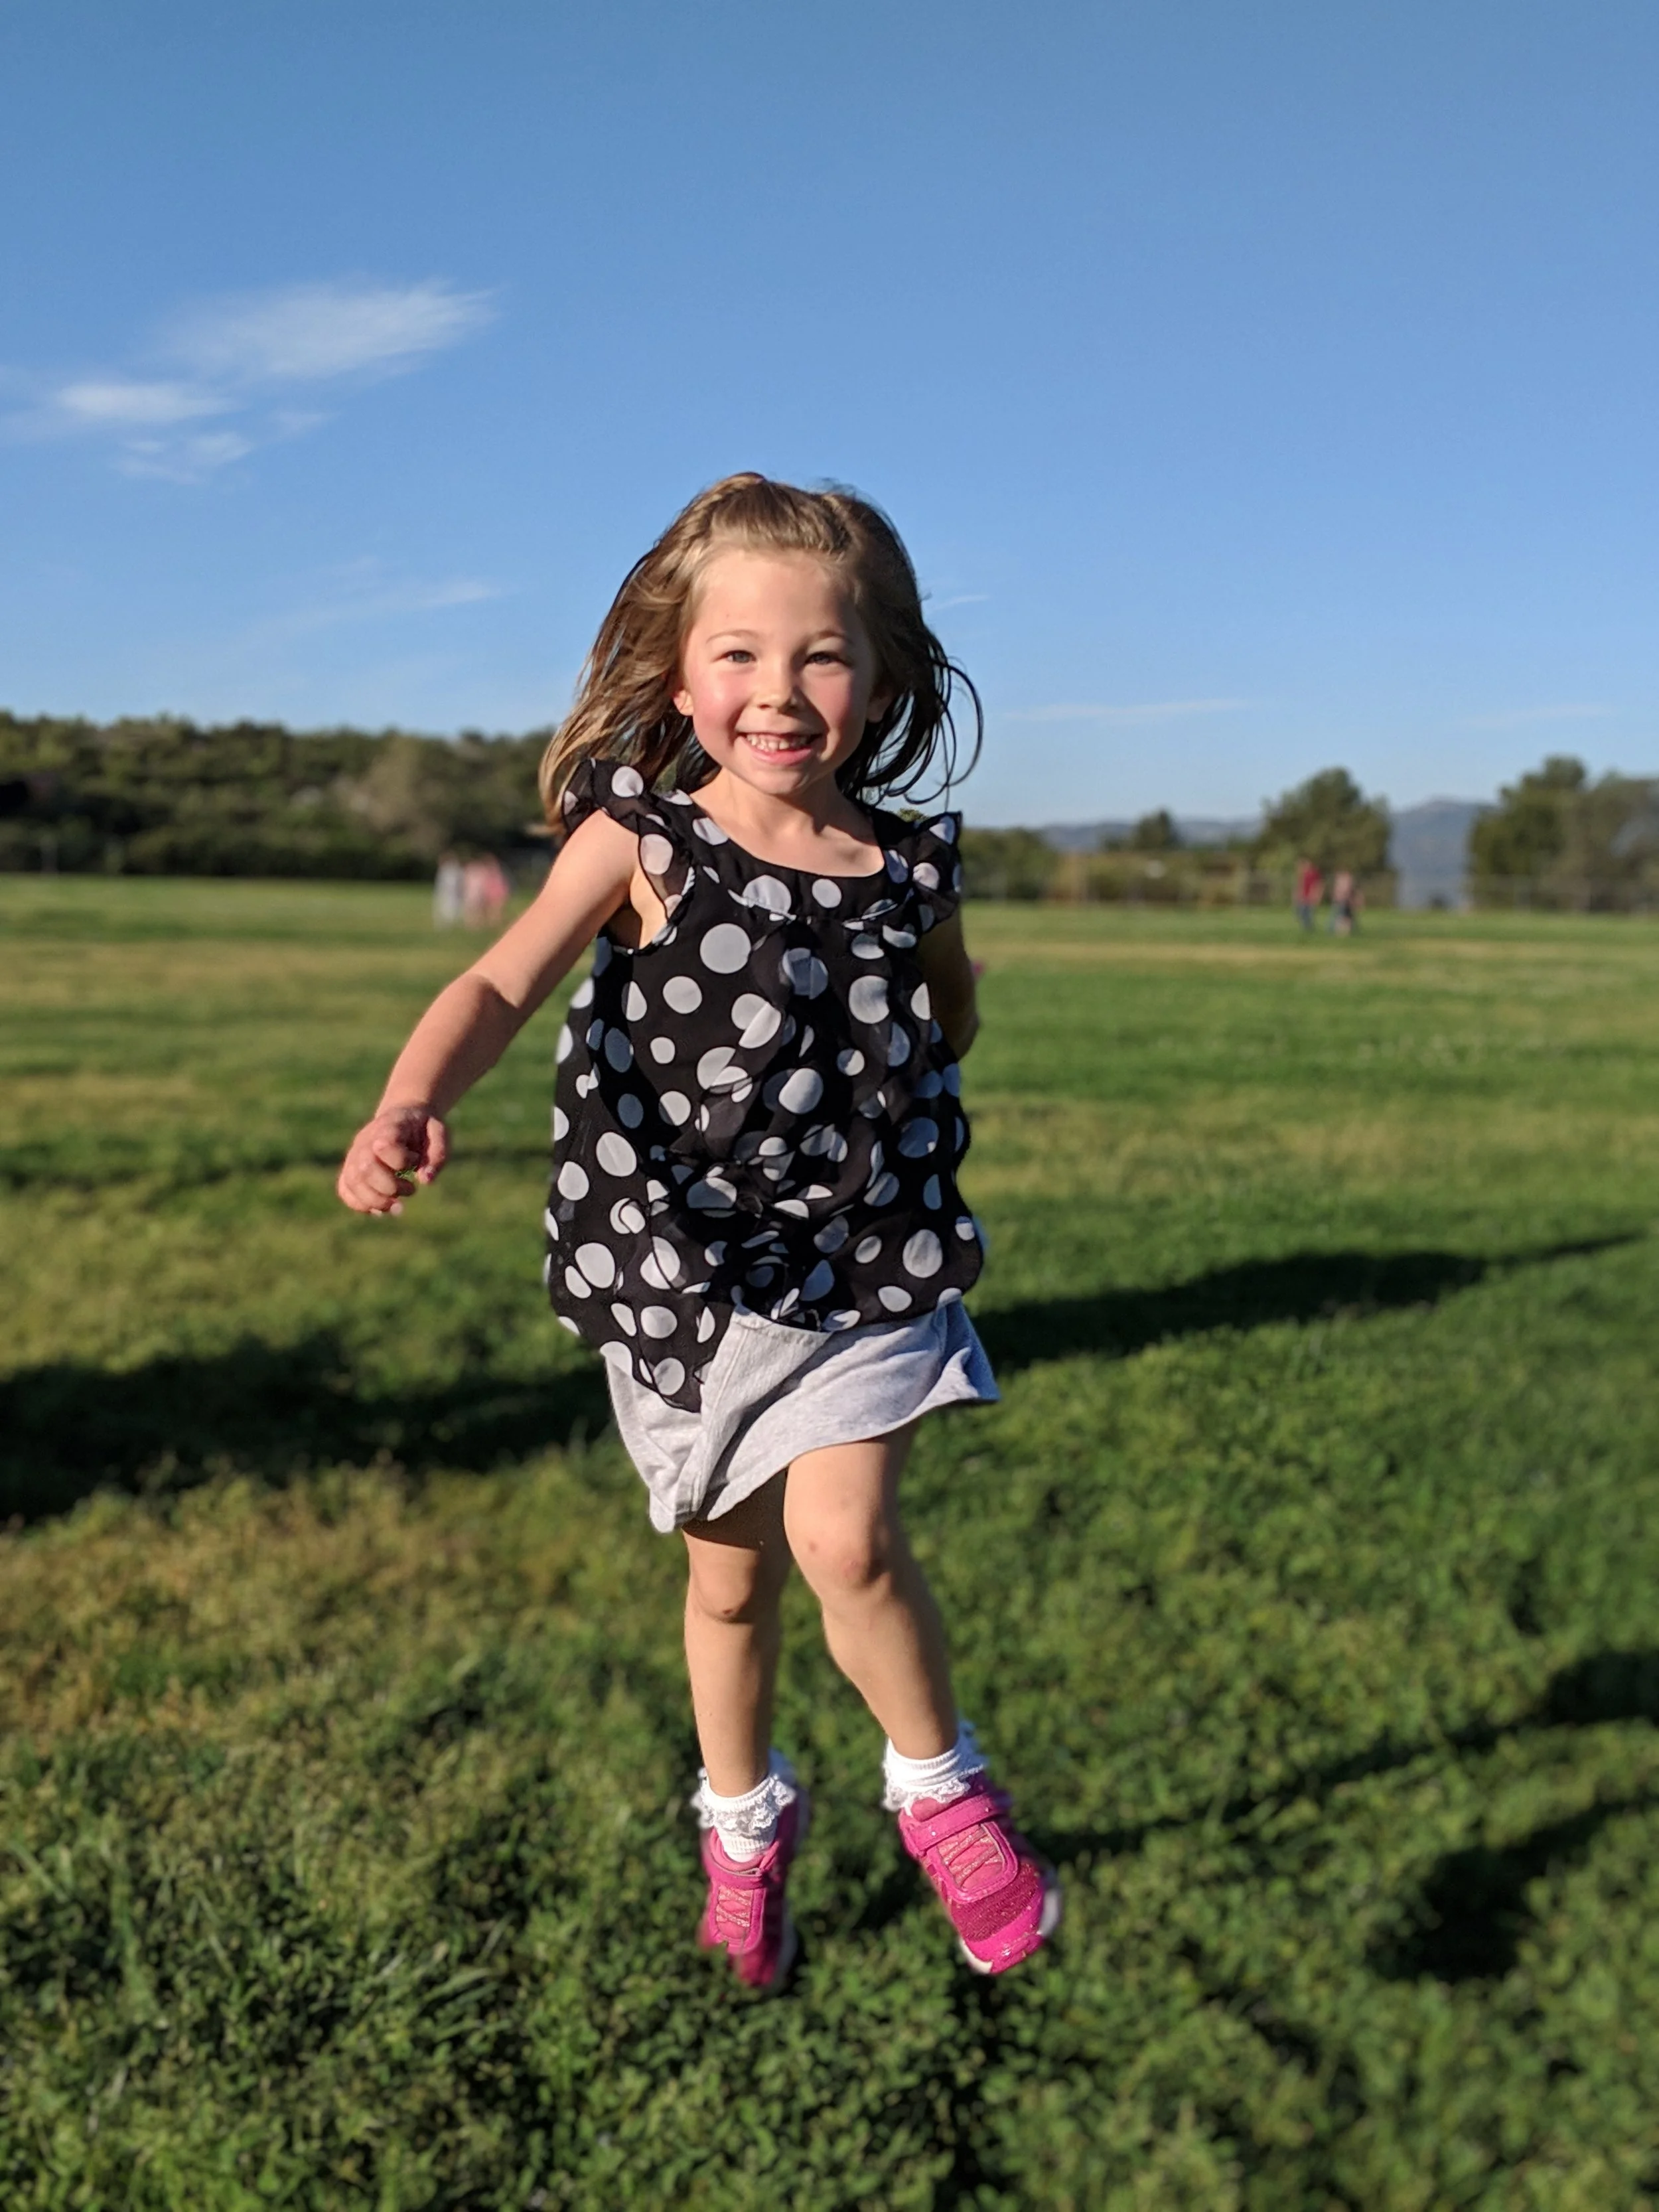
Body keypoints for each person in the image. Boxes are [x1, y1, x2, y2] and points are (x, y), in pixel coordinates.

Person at [336, 475, 1060, 1992]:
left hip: (866, 1268)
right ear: (680, 676)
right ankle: (744, 1830)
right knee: (726, 1583)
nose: (779, 691)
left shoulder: (913, 865)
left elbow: (951, 1003)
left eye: (820, 655)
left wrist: (910, 1055)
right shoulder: (642, 842)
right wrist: (413, 1096)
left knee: (843, 1537)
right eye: (738, 654)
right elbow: (498, 984)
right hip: (682, 1287)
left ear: (878, 675)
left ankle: (941, 1792)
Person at [1294, 855, 1323, 931]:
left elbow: (1317, 885)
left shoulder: (1313, 873)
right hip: (1304, 897)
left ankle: (1309, 928)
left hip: (1310, 897)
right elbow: (1301, 885)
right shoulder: (1303, 874)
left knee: (1308, 913)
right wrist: (1299, 895)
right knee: (1301, 913)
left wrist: (1316, 895)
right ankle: (1306, 928)